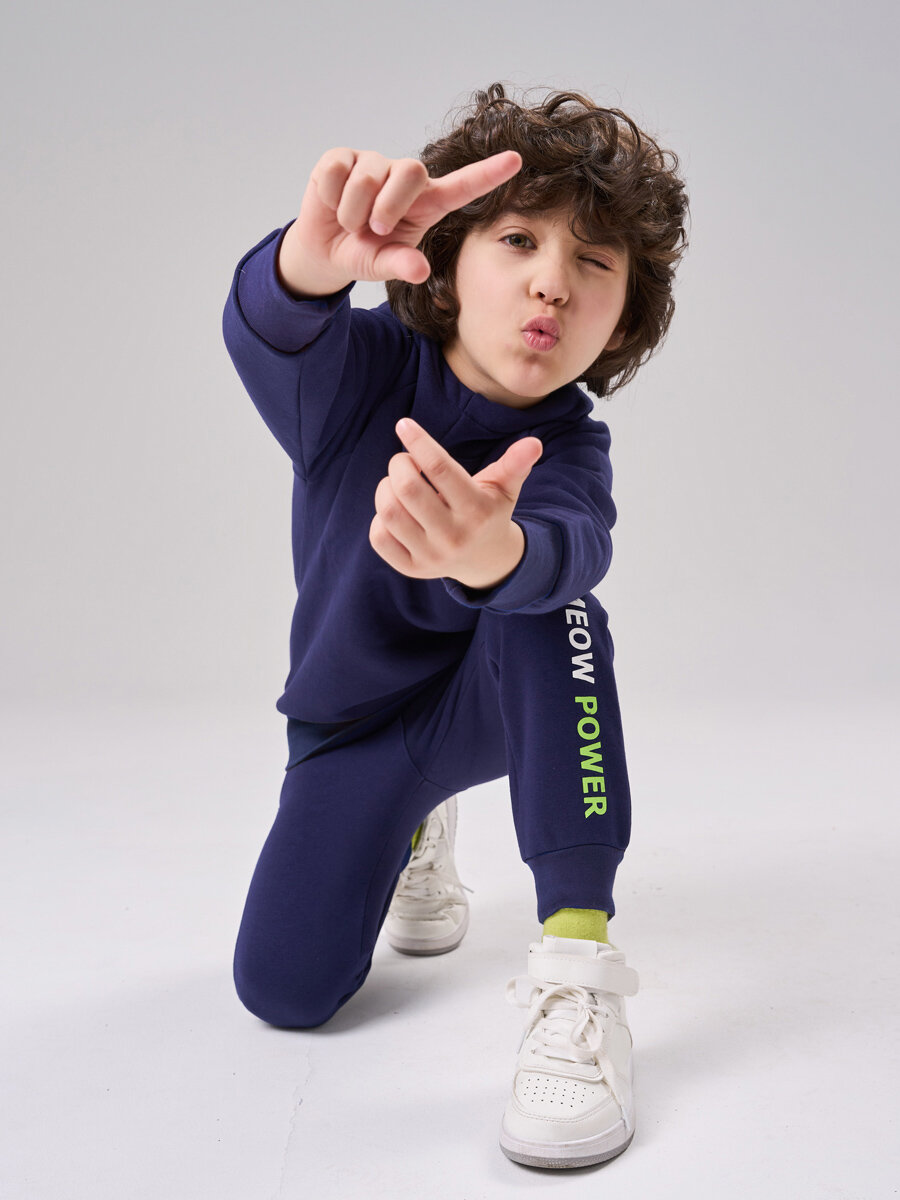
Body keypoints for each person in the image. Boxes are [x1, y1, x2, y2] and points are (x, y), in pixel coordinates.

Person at [222, 81, 688, 1169]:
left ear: (624, 317)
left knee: (554, 605)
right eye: (520, 239)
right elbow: (274, 330)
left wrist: (494, 555)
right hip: (353, 728)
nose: (552, 280)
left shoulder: (569, 447)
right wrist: (306, 265)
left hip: (492, 703)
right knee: (283, 992)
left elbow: (576, 546)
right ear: (443, 260)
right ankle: (413, 825)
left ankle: (579, 964)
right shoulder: (359, 376)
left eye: (594, 261)